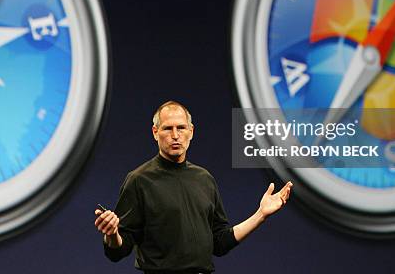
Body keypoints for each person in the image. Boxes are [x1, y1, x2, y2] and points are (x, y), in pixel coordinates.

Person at [94, 100, 292, 274]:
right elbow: (119, 250)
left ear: (191, 132)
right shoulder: (139, 180)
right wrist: (112, 234)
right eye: (167, 128)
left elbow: (220, 243)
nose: (175, 135)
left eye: (181, 128)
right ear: (155, 133)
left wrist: (260, 215)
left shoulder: (204, 179)